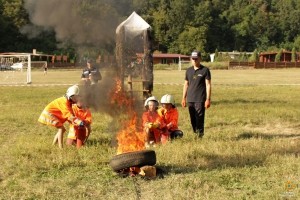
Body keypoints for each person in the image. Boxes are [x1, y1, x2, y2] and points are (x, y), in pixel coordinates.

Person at [181, 50, 211, 138]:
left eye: (196, 59)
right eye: (193, 59)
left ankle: (200, 136)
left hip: (200, 99)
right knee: (192, 119)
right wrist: (183, 98)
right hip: (190, 99)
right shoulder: (188, 71)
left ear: (200, 59)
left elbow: (208, 85)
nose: (194, 60)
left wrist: (208, 99)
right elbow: (186, 84)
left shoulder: (205, 70)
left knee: (199, 118)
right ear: (191, 59)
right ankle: (195, 133)